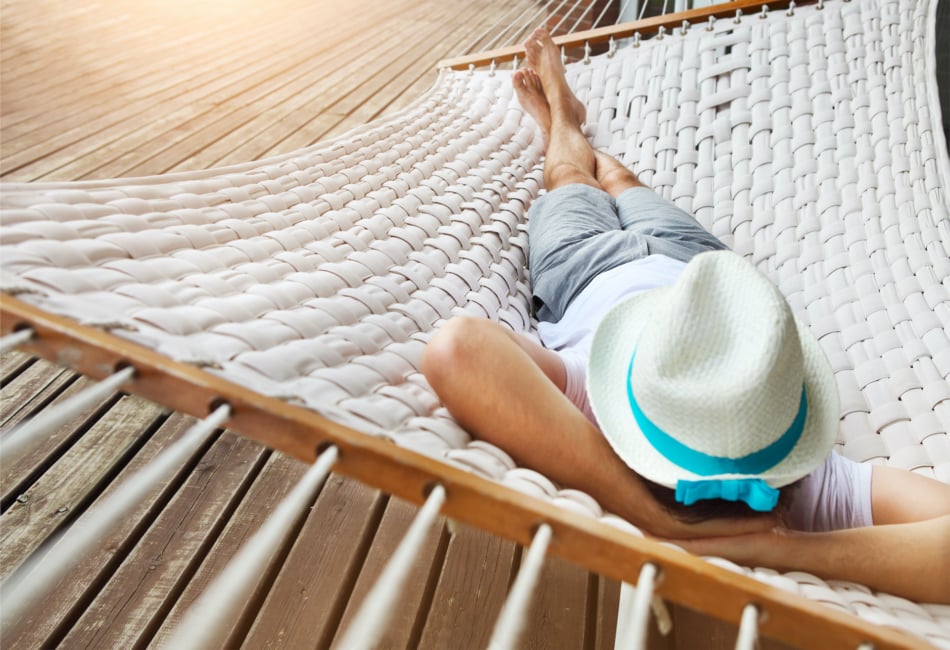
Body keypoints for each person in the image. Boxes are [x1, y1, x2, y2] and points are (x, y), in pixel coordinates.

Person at [421, 28, 950, 603]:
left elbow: (457, 350)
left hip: (585, 271)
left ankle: (560, 122)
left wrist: (745, 540)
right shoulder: (800, 474)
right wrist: (746, 538)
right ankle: (566, 112)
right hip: (701, 272)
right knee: (622, 181)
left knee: (573, 178)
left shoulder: (601, 409)